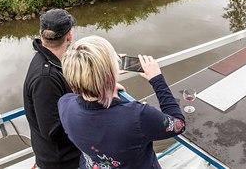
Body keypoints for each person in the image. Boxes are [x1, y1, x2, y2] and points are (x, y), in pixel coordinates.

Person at [58, 36, 185, 169]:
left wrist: (107, 88)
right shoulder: (138, 116)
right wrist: (157, 79)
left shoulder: (65, 104)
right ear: (109, 74)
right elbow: (178, 125)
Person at [23, 9, 81, 169]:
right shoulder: (45, 78)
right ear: (69, 35)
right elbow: (53, 131)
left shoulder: (49, 59)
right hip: (64, 162)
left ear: (42, 35)